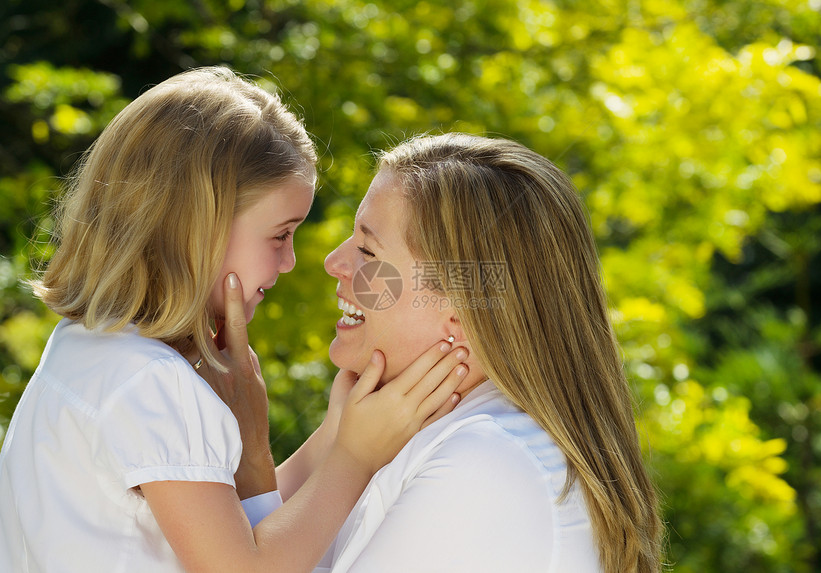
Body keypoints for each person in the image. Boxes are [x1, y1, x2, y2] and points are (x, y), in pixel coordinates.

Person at [0, 68, 469, 573]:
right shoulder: (152, 384)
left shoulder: (86, 348)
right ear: (197, 228)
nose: (290, 261)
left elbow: (246, 527)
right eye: (279, 235)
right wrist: (353, 459)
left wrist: (336, 432)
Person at [276, 132, 663, 572]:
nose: (334, 262)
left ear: (462, 311)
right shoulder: (433, 441)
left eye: (367, 249)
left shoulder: (487, 464)